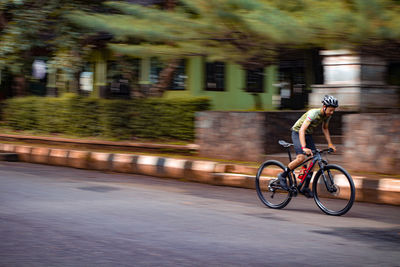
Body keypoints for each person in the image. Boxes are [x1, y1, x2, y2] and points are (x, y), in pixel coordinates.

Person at [278, 95, 339, 197]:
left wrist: (330, 144)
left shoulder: (327, 115)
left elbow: (325, 128)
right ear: (324, 106)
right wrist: (304, 147)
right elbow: (302, 130)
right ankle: (282, 176)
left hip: (308, 134)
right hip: (298, 132)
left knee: (314, 159)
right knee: (301, 158)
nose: (332, 112)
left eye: (334, 110)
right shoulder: (313, 113)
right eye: (331, 110)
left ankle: (305, 187)